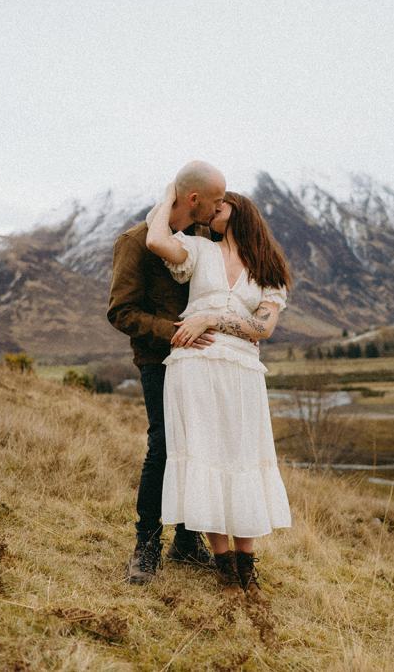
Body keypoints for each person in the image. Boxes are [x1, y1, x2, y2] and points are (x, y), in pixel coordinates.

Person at [146, 183, 293, 600]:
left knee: (243, 456)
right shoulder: (197, 249)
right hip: (194, 366)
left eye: (221, 202)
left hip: (243, 371)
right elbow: (156, 238)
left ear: (240, 210)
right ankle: (225, 568)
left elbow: (263, 328)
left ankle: (248, 567)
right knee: (207, 455)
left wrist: (210, 316)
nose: (213, 207)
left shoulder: (268, 270)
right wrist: (174, 192)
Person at [107, 160, 227, 584]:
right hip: (158, 361)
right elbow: (120, 311)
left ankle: (187, 540)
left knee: (199, 447)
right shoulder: (136, 242)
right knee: (162, 446)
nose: (219, 209)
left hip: (200, 364)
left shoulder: (198, 241)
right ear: (193, 199)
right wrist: (176, 334)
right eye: (214, 202)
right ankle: (146, 545)